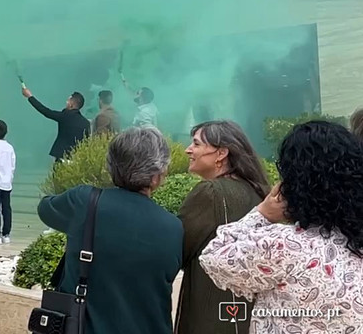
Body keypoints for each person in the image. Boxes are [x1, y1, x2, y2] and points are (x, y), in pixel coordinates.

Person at [200, 121, 363, 333]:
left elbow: (213, 257)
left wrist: (262, 214)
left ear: (295, 183)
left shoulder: (283, 246)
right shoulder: (354, 242)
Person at [38, 127, 183, 333]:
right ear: (156, 177)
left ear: (110, 167)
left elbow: (45, 209)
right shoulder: (173, 227)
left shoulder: (84, 201)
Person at [175, 121, 270, 334]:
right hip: (251, 312)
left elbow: (176, 249)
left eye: (197, 144)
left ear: (221, 154)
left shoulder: (210, 192)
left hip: (212, 312)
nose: (188, 150)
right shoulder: (259, 192)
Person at [21, 85, 90, 162]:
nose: (66, 102)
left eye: (68, 101)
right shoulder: (86, 123)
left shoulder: (65, 116)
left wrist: (30, 97)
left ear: (71, 105)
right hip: (76, 159)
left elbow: (45, 111)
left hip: (62, 157)